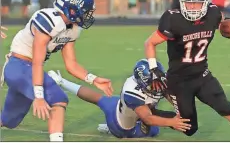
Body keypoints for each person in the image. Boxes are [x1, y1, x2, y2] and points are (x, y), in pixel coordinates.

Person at [144, 0, 230, 142]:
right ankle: (145, 113)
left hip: (202, 76)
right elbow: (150, 42)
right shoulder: (173, 19)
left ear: (206, 2)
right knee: (189, 129)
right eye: (188, 3)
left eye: (197, 3)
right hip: (179, 81)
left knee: (227, 109)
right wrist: (153, 68)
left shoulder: (213, 14)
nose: (192, 8)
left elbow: (222, 23)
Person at [0, 0, 113, 142]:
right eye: (86, 10)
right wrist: (39, 96)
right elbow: (38, 61)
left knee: (8, 121)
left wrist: (93, 79)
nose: (88, 15)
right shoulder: (49, 20)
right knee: (58, 99)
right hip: (18, 66)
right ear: (71, 9)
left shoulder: (72, 29)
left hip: (28, 71)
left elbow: (71, 64)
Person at [47, 59, 191, 138]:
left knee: (99, 99)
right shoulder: (132, 94)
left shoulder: (148, 80)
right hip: (122, 126)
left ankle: (61, 82)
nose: (157, 86)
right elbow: (147, 118)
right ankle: (110, 129)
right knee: (153, 130)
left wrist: (178, 104)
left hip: (118, 106)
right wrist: (172, 121)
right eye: (153, 83)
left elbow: (166, 91)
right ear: (142, 83)